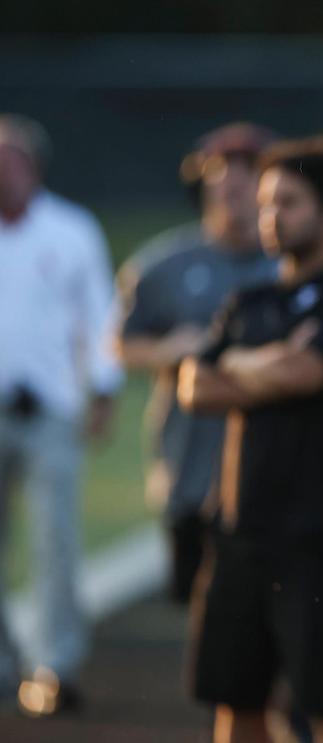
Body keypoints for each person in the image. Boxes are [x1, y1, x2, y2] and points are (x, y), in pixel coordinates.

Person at [178, 140, 323, 743]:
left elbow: (305, 374)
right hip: (239, 530)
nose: (270, 217)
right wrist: (270, 358)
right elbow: (193, 386)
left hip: (315, 537)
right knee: (235, 702)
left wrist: (237, 369)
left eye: (287, 203)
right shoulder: (250, 301)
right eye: (266, 204)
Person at [114, 122, 277, 603]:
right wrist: (169, 350)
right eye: (220, 168)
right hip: (189, 454)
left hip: (270, 460)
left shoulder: (290, 263)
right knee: (195, 599)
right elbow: (121, 344)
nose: (234, 180)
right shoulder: (164, 264)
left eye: (250, 169)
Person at [0, 113, 123, 715]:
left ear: (34, 166)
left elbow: (100, 315)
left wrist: (102, 389)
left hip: (50, 407)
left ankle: (55, 662)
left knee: (54, 539)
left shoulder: (71, 230)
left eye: (11, 158)